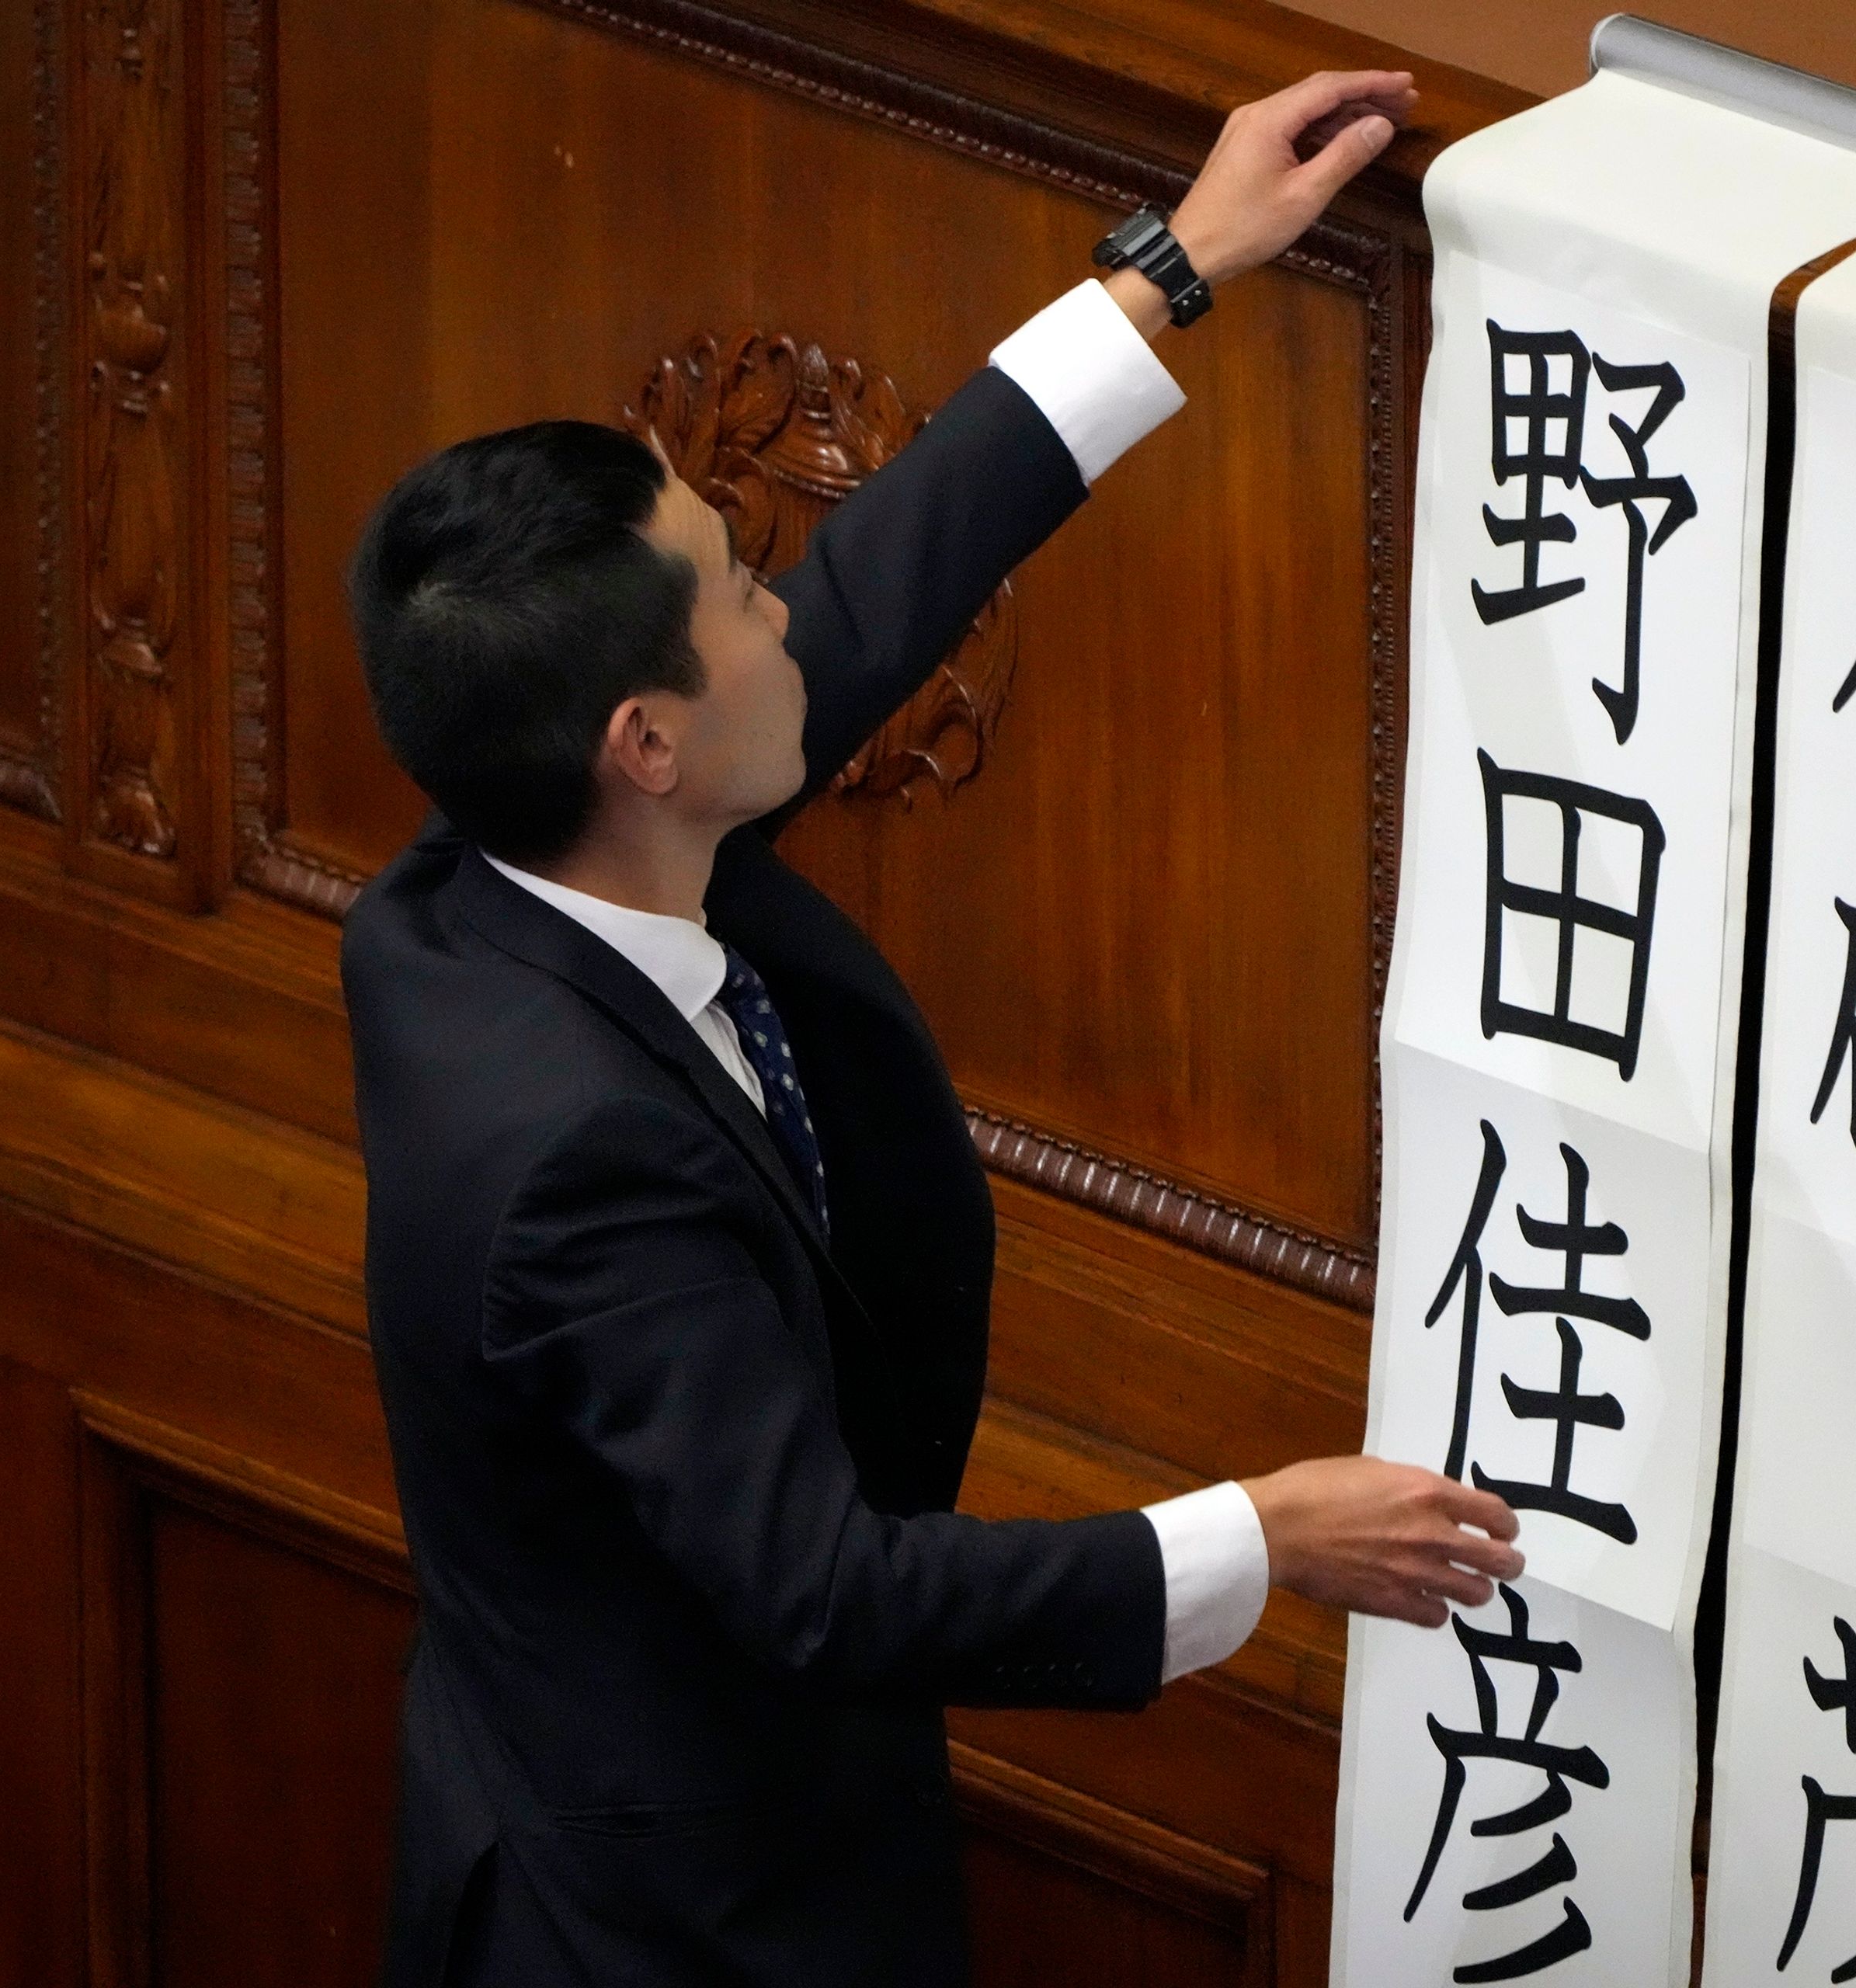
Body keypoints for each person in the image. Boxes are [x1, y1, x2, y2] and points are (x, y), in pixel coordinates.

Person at [342, 68, 1521, 1987]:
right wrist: (1262, 1535)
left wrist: (1175, 266)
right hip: (668, 1924)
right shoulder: (576, 1166)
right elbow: (825, 1589)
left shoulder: (487, 872)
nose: (782, 610)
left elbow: (877, 593)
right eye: (736, 592)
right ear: (646, 744)